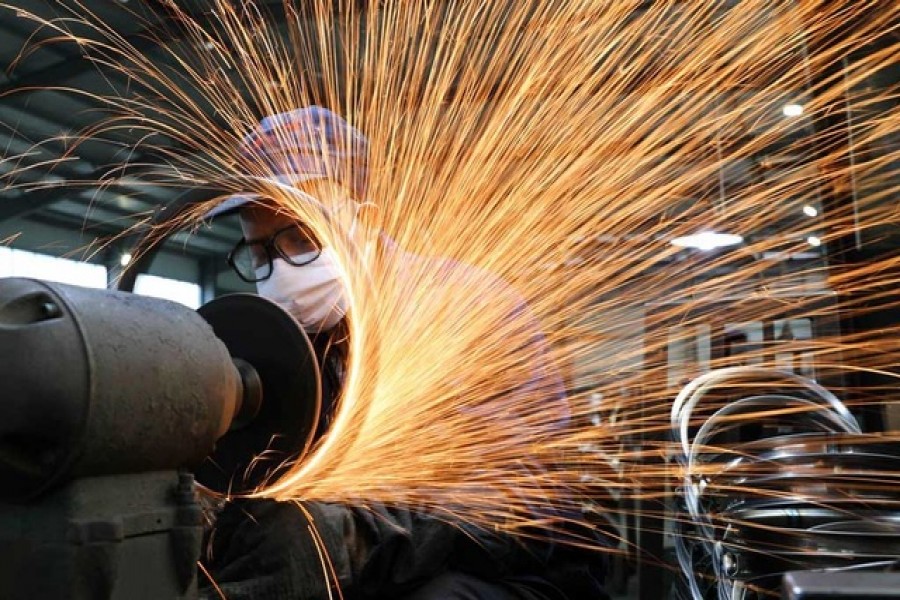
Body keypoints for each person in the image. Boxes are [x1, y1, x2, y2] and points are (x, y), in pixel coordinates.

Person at [199, 106, 609, 600]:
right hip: (379, 571)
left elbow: (517, 493)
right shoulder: (285, 346)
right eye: (261, 252)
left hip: (516, 571)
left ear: (364, 221)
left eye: (303, 239)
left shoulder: (463, 308)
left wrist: (359, 535)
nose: (280, 270)